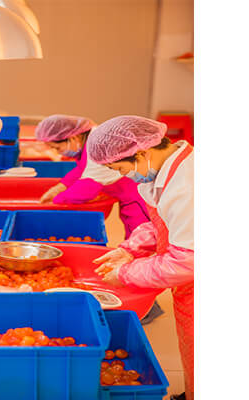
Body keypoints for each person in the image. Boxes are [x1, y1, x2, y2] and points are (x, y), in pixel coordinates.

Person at [89, 116, 194, 400]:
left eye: (121, 169)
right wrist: (129, 249)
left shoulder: (186, 186)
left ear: (142, 153)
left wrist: (125, 273)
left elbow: (187, 261)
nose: (125, 176)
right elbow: (162, 224)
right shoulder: (171, 169)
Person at [35, 114, 150, 238]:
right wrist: (59, 187)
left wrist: (56, 202)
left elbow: (86, 189)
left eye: (57, 148)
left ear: (73, 138)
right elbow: (81, 170)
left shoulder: (98, 146)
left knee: (140, 235)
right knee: (134, 234)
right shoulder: (89, 141)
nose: (59, 153)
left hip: (138, 193)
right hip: (128, 193)